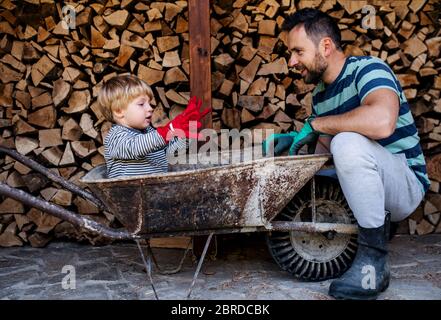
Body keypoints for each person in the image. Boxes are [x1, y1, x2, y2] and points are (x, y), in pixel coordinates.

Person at [264, 8, 429, 300]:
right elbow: (330, 156)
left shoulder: (368, 70)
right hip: (370, 188)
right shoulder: (320, 95)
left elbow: (381, 122)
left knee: (347, 142)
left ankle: (373, 264)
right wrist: (301, 146)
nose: (292, 62)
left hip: (404, 184)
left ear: (325, 46)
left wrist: (316, 125)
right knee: (338, 146)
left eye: (297, 51)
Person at [97, 74, 209, 178]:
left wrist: (186, 131)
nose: (150, 108)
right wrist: (168, 131)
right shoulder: (116, 136)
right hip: (129, 194)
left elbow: (171, 153)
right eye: (141, 104)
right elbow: (135, 147)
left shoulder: (149, 132)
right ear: (118, 111)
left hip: (154, 191)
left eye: (149, 103)